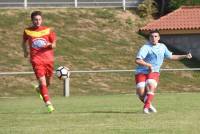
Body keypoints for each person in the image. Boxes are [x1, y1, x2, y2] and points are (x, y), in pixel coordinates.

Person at [135, 30, 192, 114]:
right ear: (149, 38)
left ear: (159, 38)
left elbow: (171, 56)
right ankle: (149, 104)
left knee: (151, 84)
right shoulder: (145, 47)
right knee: (141, 93)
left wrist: (185, 56)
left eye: (155, 36)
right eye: (151, 36)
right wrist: (149, 65)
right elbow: (138, 60)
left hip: (154, 72)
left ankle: (146, 108)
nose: (153, 38)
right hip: (141, 72)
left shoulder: (162, 46)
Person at [21, 11, 56, 113]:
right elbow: (23, 42)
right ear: (32, 20)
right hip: (36, 60)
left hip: (49, 59)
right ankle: (48, 104)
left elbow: (54, 44)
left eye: (39, 19)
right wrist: (25, 51)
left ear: (42, 20)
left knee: (48, 83)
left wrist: (50, 44)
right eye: (35, 19)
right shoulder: (27, 31)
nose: (38, 21)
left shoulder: (47, 30)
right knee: (43, 82)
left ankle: (39, 89)